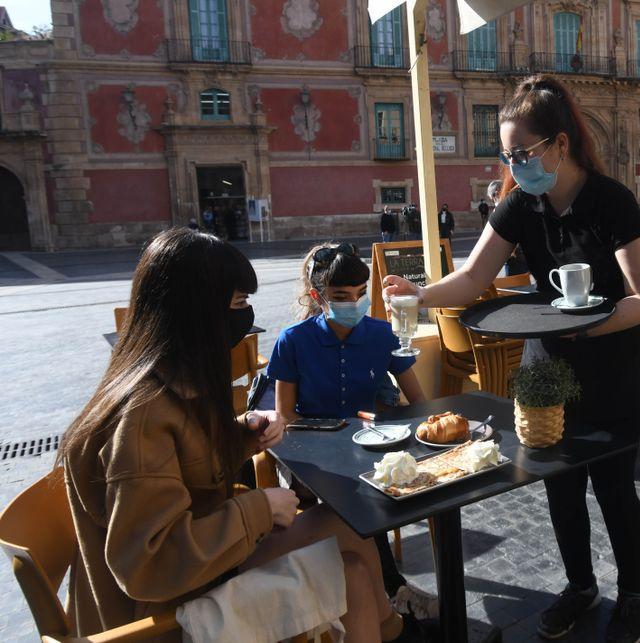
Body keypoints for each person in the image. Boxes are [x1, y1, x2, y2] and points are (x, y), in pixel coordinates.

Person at [381, 75, 640, 643]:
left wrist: (591, 325)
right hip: (545, 371)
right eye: (507, 154)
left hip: (613, 368)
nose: (515, 164)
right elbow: (474, 278)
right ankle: (580, 587)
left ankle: (634, 593)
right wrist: (419, 295)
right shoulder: (519, 205)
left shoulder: (612, 202)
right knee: (559, 487)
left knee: (612, 486)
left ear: (560, 145)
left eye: (522, 153)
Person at [59, 229, 411, 643]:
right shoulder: (141, 418)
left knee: (352, 547)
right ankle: (395, 629)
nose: (247, 317)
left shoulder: (162, 383)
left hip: (198, 574)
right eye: (240, 303)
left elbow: (182, 468)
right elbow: (149, 567)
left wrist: (239, 435)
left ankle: (392, 630)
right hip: (169, 612)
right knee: (350, 543)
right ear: (199, 312)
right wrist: (260, 508)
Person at [267, 242, 435, 618]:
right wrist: (339, 435)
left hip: (370, 450)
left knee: (375, 489)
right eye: (341, 296)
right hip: (310, 456)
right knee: (356, 496)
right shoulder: (293, 341)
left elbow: (418, 403)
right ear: (318, 296)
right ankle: (392, 594)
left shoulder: (380, 334)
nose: (354, 304)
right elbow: (286, 415)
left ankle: (381, 595)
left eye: (361, 295)